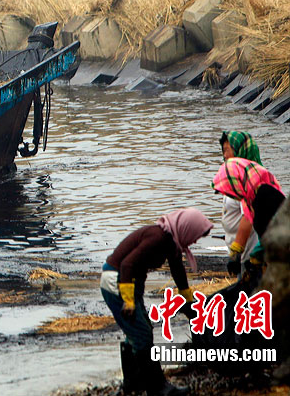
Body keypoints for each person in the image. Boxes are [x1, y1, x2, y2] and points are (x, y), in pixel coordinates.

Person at [101, 207, 212, 396]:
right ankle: (158, 388)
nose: (194, 241)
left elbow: (177, 271)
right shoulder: (158, 238)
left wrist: (189, 300)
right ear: (186, 228)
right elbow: (127, 264)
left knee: (139, 331)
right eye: (195, 236)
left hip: (130, 283)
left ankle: (133, 385)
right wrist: (128, 301)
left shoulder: (171, 242)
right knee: (141, 334)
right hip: (117, 281)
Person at [212, 157, 286, 278]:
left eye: (231, 191)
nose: (233, 196)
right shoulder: (251, 199)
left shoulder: (264, 195)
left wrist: (255, 257)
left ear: (236, 183)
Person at [219, 131, 261, 274]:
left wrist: (236, 252)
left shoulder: (249, 180)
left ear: (240, 151)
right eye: (223, 151)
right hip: (244, 256)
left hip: (251, 257)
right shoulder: (236, 178)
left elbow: (248, 217)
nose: (224, 156)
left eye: (227, 150)